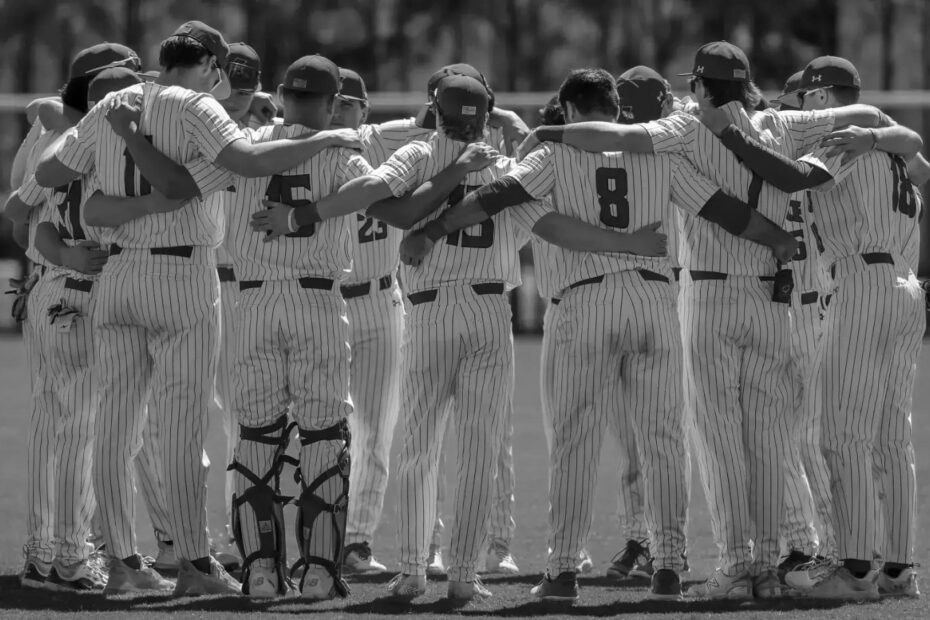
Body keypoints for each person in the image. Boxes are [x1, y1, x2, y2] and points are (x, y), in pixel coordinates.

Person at [399, 67, 798, 603]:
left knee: (575, 442)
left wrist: (431, 230)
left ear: (568, 109)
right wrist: (775, 237)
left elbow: (496, 195)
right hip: (655, 299)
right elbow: (722, 209)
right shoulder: (659, 152)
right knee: (663, 441)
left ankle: (563, 570)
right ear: (615, 108)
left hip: (584, 301)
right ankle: (668, 566)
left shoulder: (555, 151)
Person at [518, 41, 896, 600]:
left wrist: (552, 131)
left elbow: (619, 137)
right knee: (768, 440)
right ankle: (767, 568)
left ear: (698, 85)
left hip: (712, 293)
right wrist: (876, 134)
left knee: (719, 441)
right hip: (774, 297)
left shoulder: (689, 126)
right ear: (745, 84)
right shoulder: (783, 124)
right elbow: (863, 112)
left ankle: (737, 567)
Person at [34, 20, 359, 596]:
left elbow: (49, 171)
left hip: (118, 271)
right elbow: (246, 162)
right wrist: (324, 140)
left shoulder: (114, 102)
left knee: (115, 426)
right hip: (181, 274)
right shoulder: (197, 107)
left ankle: (123, 562)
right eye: (219, 70)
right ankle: (193, 564)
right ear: (209, 64)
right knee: (182, 428)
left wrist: (109, 156)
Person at [698, 55, 925, 600]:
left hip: (860, 283)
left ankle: (857, 571)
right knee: (893, 440)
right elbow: (920, 159)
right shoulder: (893, 152)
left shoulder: (844, 136)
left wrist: (728, 133)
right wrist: (884, 136)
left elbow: (792, 176)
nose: (801, 110)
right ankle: (899, 572)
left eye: (805, 99)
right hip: (905, 285)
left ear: (821, 96)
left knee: (841, 436)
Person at [3, 42, 141, 590]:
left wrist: (57, 254)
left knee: (49, 425)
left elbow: (23, 215)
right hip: (89, 289)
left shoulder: (55, 140)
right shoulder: (108, 144)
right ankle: (72, 556)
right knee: (83, 431)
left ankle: (42, 554)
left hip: (48, 285)